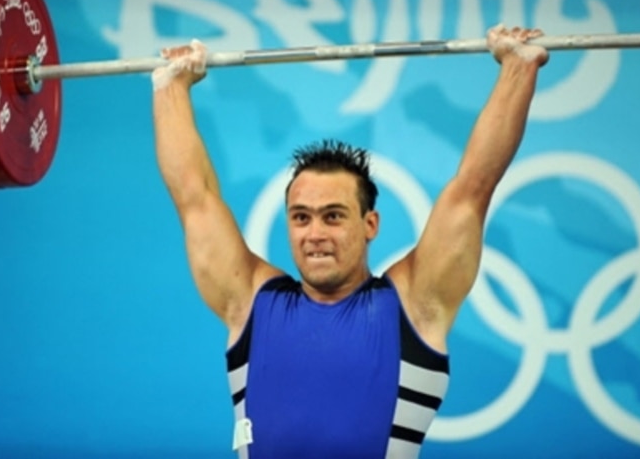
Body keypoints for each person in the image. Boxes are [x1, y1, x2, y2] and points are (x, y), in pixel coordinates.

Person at [151, 25, 549, 459]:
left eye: (333, 216)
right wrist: (172, 85)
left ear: (370, 224)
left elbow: (474, 187)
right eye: (301, 218)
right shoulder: (250, 302)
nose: (315, 234)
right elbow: (193, 197)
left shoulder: (415, 305)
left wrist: (518, 67)